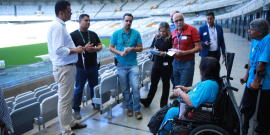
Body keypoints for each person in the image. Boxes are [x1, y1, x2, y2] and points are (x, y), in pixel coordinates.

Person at [47, 1, 86, 134]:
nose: (71, 13)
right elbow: (59, 50)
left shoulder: (59, 25)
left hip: (66, 67)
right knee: (64, 101)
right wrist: (77, 50)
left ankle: (71, 123)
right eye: (69, 11)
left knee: (68, 99)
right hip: (64, 68)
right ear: (61, 12)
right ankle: (66, 131)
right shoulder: (58, 26)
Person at [158, 57, 221, 135]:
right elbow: (196, 86)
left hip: (197, 111)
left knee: (171, 111)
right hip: (194, 108)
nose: (199, 68)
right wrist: (187, 88)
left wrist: (180, 92)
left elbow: (192, 102)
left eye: (201, 66)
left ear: (207, 69)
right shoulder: (208, 80)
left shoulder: (208, 85)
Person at [109, 13, 143, 120]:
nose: (128, 23)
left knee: (136, 87)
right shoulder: (116, 33)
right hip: (120, 65)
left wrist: (132, 48)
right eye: (126, 20)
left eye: (130, 21)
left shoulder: (136, 33)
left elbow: (140, 48)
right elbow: (111, 48)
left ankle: (137, 109)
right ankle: (129, 107)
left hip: (133, 65)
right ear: (123, 21)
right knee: (125, 89)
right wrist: (119, 52)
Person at [240, 18, 270, 135]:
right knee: (246, 108)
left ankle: (262, 131)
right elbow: (251, 59)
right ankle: (242, 128)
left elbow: (261, 63)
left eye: (251, 29)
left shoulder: (267, 40)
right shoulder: (255, 39)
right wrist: (246, 76)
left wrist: (256, 81)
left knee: (263, 112)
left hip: (263, 85)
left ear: (260, 32)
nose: (248, 31)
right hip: (250, 82)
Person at [70, 14, 102, 120]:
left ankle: (95, 103)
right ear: (79, 21)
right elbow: (70, 50)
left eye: (89, 20)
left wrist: (94, 49)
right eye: (86, 20)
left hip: (93, 65)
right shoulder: (73, 35)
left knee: (94, 86)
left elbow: (100, 45)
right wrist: (83, 48)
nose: (88, 22)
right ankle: (76, 110)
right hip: (80, 67)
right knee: (79, 89)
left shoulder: (93, 34)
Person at [140, 22, 174, 108]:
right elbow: (151, 48)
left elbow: (173, 52)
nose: (162, 33)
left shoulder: (171, 38)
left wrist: (164, 54)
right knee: (153, 83)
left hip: (166, 65)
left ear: (167, 30)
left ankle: (163, 105)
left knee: (166, 85)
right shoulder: (156, 37)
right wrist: (154, 50)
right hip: (156, 64)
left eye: (164, 31)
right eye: (160, 31)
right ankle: (147, 101)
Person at [169, 13, 202, 89]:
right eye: (176, 21)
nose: (179, 22)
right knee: (177, 88)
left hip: (187, 63)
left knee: (184, 89)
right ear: (173, 22)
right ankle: (179, 100)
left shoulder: (192, 29)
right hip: (175, 63)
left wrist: (184, 53)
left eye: (180, 20)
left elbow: (199, 48)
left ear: (183, 20)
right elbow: (174, 46)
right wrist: (171, 50)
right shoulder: (174, 32)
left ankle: (183, 101)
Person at [169, 10, 179, 99]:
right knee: (172, 75)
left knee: (177, 74)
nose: (171, 17)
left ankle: (179, 92)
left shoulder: (180, 27)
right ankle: (175, 91)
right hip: (170, 55)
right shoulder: (169, 27)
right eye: (170, 16)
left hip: (179, 55)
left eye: (173, 16)